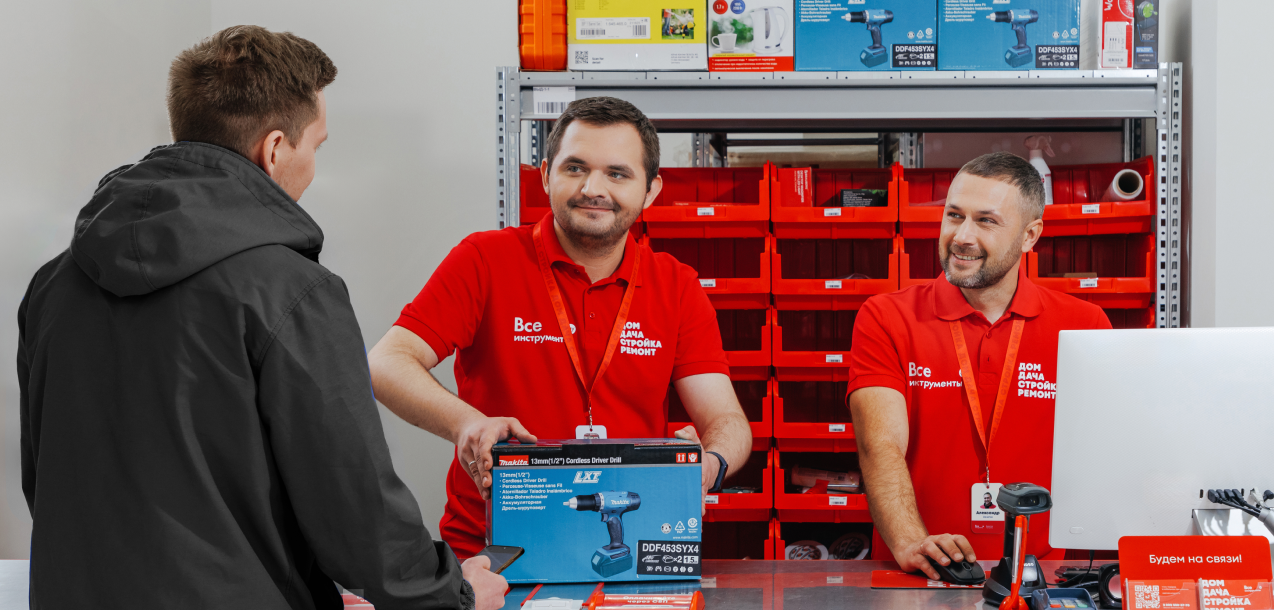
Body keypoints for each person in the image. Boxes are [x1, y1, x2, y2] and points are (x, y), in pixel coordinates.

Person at [18, 26, 504, 610]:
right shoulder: (291, 291)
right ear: (274, 150)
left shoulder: (54, 284)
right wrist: (454, 595)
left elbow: (46, 478)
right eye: (316, 145)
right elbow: (353, 502)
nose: (314, 164)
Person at [368, 96, 753, 559]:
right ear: (547, 174)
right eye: (575, 168)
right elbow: (386, 363)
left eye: (617, 174)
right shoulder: (484, 260)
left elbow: (727, 420)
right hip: (491, 555)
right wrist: (466, 423)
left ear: (651, 190)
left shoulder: (676, 285)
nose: (593, 188)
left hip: (630, 549)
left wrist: (710, 463)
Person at [847, 152, 1112, 580]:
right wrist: (912, 542)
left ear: (1029, 235)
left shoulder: (1084, 325)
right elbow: (880, 445)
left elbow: (1107, 454)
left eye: (986, 221)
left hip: (1042, 576)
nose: (962, 236)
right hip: (921, 575)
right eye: (954, 215)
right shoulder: (886, 317)